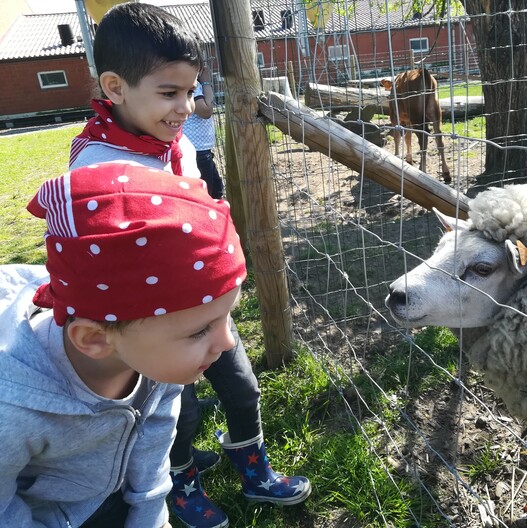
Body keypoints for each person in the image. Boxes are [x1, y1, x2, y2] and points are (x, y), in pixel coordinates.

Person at [68, 4, 311, 528]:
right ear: (114, 87)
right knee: (175, 410)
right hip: (153, 320)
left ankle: (252, 466)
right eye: (169, 93)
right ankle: (179, 484)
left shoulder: (170, 142)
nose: (186, 107)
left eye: (191, 91)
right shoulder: (96, 164)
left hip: (203, 308)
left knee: (242, 386)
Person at [0, 161, 247, 528]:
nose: (227, 343)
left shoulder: (154, 358)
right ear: (94, 340)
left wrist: (150, 517)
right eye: (200, 331)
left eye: (227, 317)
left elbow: (155, 434)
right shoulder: (13, 412)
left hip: (102, 497)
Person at [182, 62, 224, 199]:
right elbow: (206, 111)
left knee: (217, 190)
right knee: (207, 194)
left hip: (201, 149)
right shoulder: (194, 87)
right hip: (197, 150)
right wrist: (206, 83)